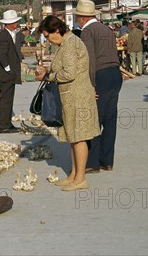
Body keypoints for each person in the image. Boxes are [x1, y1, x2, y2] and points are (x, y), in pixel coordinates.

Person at [35, 15, 99, 191]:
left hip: (77, 96)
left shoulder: (71, 44)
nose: (48, 40)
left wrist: (48, 76)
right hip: (70, 97)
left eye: (48, 36)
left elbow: (68, 73)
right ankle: (74, 174)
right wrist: (48, 70)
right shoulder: (66, 44)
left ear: (57, 30)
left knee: (78, 137)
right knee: (73, 137)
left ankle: (80, 178)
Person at [74, 0, 123, 173]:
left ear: (82, 18)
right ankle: (106, 160)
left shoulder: (87, 31)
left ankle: (92, 162)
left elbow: (90, 61)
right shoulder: (106, 29)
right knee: (110, 120)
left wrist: (90, 86)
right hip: (115, 74)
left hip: (100, 75)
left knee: (93, 120)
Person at [0, 9, 23, 134]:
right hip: (6, 74)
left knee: (8, 99)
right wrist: (8, 69)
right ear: (10, 24)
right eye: (15, 22)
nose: (16, 24)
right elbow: (2, 55)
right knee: (6, 100)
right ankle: (4, 125)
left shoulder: (7, 34)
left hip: (7, 73)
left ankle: (7, 123)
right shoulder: (4, 36)